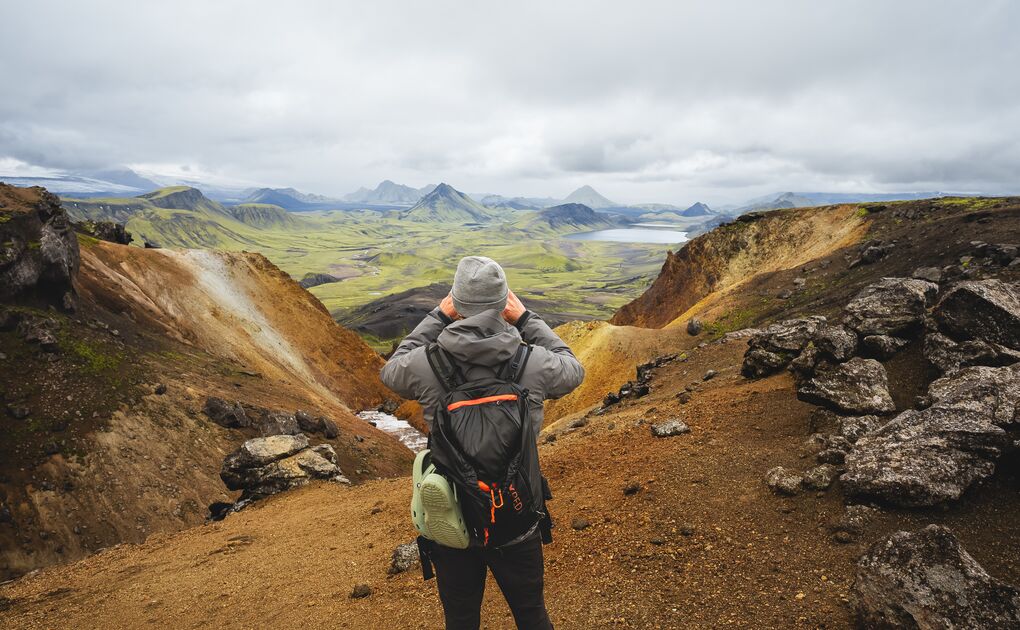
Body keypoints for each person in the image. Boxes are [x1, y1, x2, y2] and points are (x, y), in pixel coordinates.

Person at [380, 255, 585, 630]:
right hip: (518, 515)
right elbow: (573, 368)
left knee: (461, 620)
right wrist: (525, 319)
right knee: (532, 615)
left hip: (452, 519)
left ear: (455, 303)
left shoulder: (427, 364)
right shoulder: (532, 362)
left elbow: (391, 371)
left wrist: (438, 317)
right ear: (504, 303)